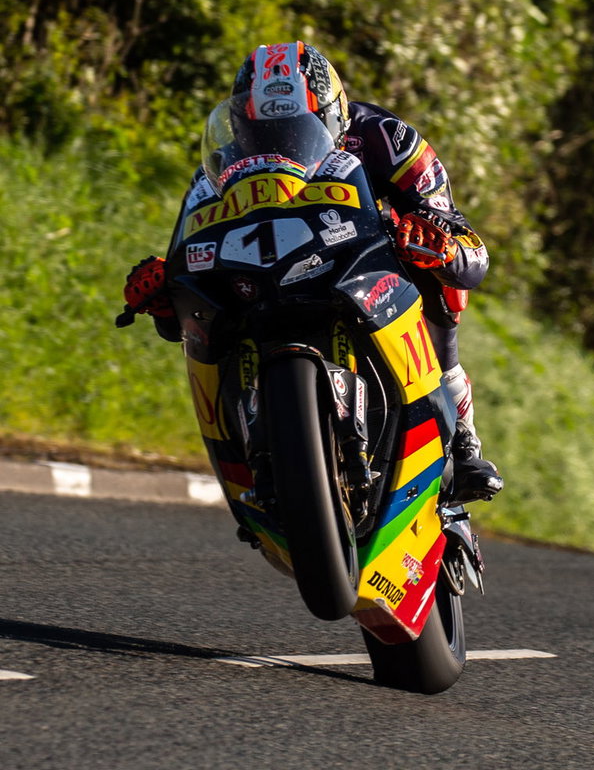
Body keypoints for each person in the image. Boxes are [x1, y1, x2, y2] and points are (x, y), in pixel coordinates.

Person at [122, 41, 503, 502]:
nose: (280, 139)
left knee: (439, 279)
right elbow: (183, 290)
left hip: (361, 256)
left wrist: (441, 246)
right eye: (262, 128)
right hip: (267, 273)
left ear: (334, 115)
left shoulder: (389, 139)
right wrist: (168, 292)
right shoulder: (217, 165)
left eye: (297, 125)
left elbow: (465, 245)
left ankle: (461, 434)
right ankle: (248, 444)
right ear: (239, 121)